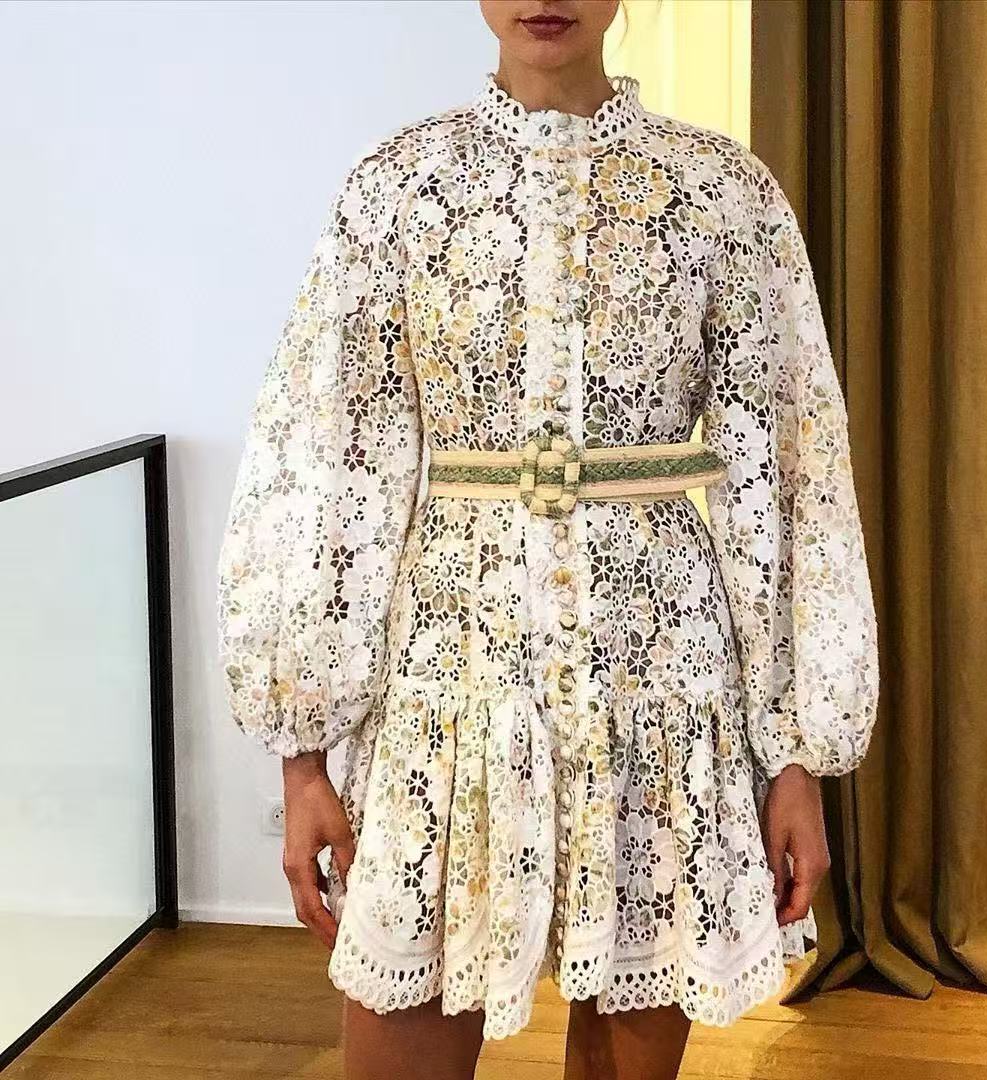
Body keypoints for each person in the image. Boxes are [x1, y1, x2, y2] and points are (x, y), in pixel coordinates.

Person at [216, 2, 880, 1077]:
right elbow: (327, 461)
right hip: (450, 678)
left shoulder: (722, 193)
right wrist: (302, 761)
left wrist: (794, 756)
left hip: (659, 683)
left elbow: (787, 474)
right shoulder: (398, 189)